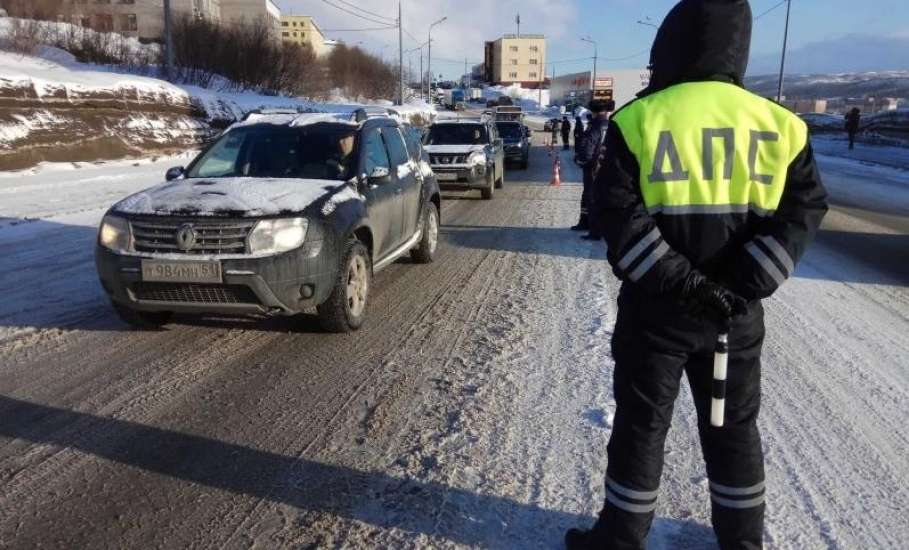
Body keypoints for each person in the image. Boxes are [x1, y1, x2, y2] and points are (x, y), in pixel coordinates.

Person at [566, 1, 828, 549]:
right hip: (734, 320)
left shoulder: (640, 120)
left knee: (642, 427)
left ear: (673, 43)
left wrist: (683, 283)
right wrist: (741, 284)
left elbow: (618, 215)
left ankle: (620, 540)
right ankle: (742, 542)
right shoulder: (781, 126)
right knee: (732, 431)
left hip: (657, 314)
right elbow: (802, 212)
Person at [570, 100, 612, 237]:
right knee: (592, 197)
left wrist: (580, 160)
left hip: (594, 168)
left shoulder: (594, 126)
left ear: (593, 112)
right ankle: (585, 222)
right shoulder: (611, 125)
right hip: (607, 167)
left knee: (592, 198)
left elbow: (587, 148)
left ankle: (595, 230)